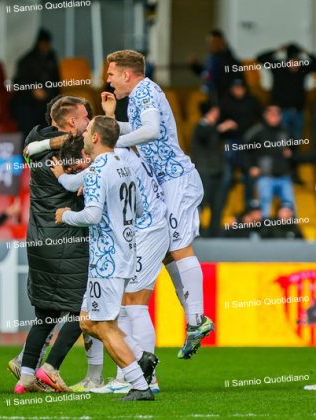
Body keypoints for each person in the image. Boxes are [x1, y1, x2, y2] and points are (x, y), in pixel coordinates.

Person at [105, 50, 214, 359]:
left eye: (111, 74)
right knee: (167, 253)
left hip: (176, 178)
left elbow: (151, 131)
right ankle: (194, 319)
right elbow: (140, 130)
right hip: (165, 182)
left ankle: (197, 319)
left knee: (180, 248)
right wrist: (110, 123)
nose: (108, 81)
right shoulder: (139, 96)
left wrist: (114, 141)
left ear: (126, 74)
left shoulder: (145, 90)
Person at [55, 116, 157, 401]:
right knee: (87, 321)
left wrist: (66, 215)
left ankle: (140, 385)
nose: (84, 133)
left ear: (96, 137)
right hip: (122, 253)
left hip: (106, 260)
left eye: (88, 130)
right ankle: (141, 355)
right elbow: (139, 209)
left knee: (103, 325)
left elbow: (92, 215)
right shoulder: (125, 165)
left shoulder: (98, 170)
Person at [9, 96, 92, 394]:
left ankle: (25, 378)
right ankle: (51, 368)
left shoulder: (34, 142)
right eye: (85, 118)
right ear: (71, 122)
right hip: (66, 239)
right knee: (87, 307)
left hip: (38, 238)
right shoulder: (70, 152)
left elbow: (33, 149)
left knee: (46, 313)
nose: (88, 123)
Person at [244, 105, 296, 218]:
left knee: (290, 209)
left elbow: (295, 148)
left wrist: (291, 152)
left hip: (284, 176)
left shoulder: (286, 130)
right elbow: (244, 149)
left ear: (280, 116)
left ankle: (292, 229)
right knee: (264, 210)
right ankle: (264, 229)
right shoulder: (257, 130)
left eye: (276, 114)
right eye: (271, 114)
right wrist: (251, 166)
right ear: (265, 115)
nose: (274, 117)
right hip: (265, 176)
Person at [256, 43, 316, 141]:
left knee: (296, 140)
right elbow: (260, 58)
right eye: (292, 61)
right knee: (281, 140)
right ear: (287, 61)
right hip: (281, 112)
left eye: (297, 61)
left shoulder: (303, 70)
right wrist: (277, 50)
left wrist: (306, 52)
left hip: (298, 112)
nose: (294, 64)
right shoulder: (278, 68)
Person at [190, 102, 233, 237]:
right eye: (214, 111)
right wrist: (220, 128)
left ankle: (214, 232)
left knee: (218, 203)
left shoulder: (214, 128)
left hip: (218, 171)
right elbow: (203, 134)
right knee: (201, 203)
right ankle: (196, 231)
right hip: (204, 172)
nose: (217, 114)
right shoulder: (201, 126)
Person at [10, 28, 61, 139]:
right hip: (28, 103)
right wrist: (33, 90)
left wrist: (48, 94)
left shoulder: (51, 58)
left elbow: (57, 82)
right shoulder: (26, 61)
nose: (45, 47)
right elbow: (18, 84)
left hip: (48, 102)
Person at [219, 78, 262, 207]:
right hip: (231, 141)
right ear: (231, 89)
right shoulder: (225, 102)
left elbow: (263, 118)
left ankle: (249, 206)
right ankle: (221, 204)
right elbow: (218, 126)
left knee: (249, 175)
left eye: (240, 88)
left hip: (248, 143)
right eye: (236, 88)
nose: (238, 91)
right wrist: (226, 126)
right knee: (227, 176)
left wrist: (255, 132)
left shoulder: (252, 101)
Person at [189, 29, 242, 103]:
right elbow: (206, 73)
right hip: (209, 95)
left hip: (223, 97)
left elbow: (235, 79)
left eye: (213, 42)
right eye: (209, 42)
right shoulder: (210, 58)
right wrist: (195, 66)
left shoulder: (230, 60)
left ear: (221, 41)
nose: (211, 45)